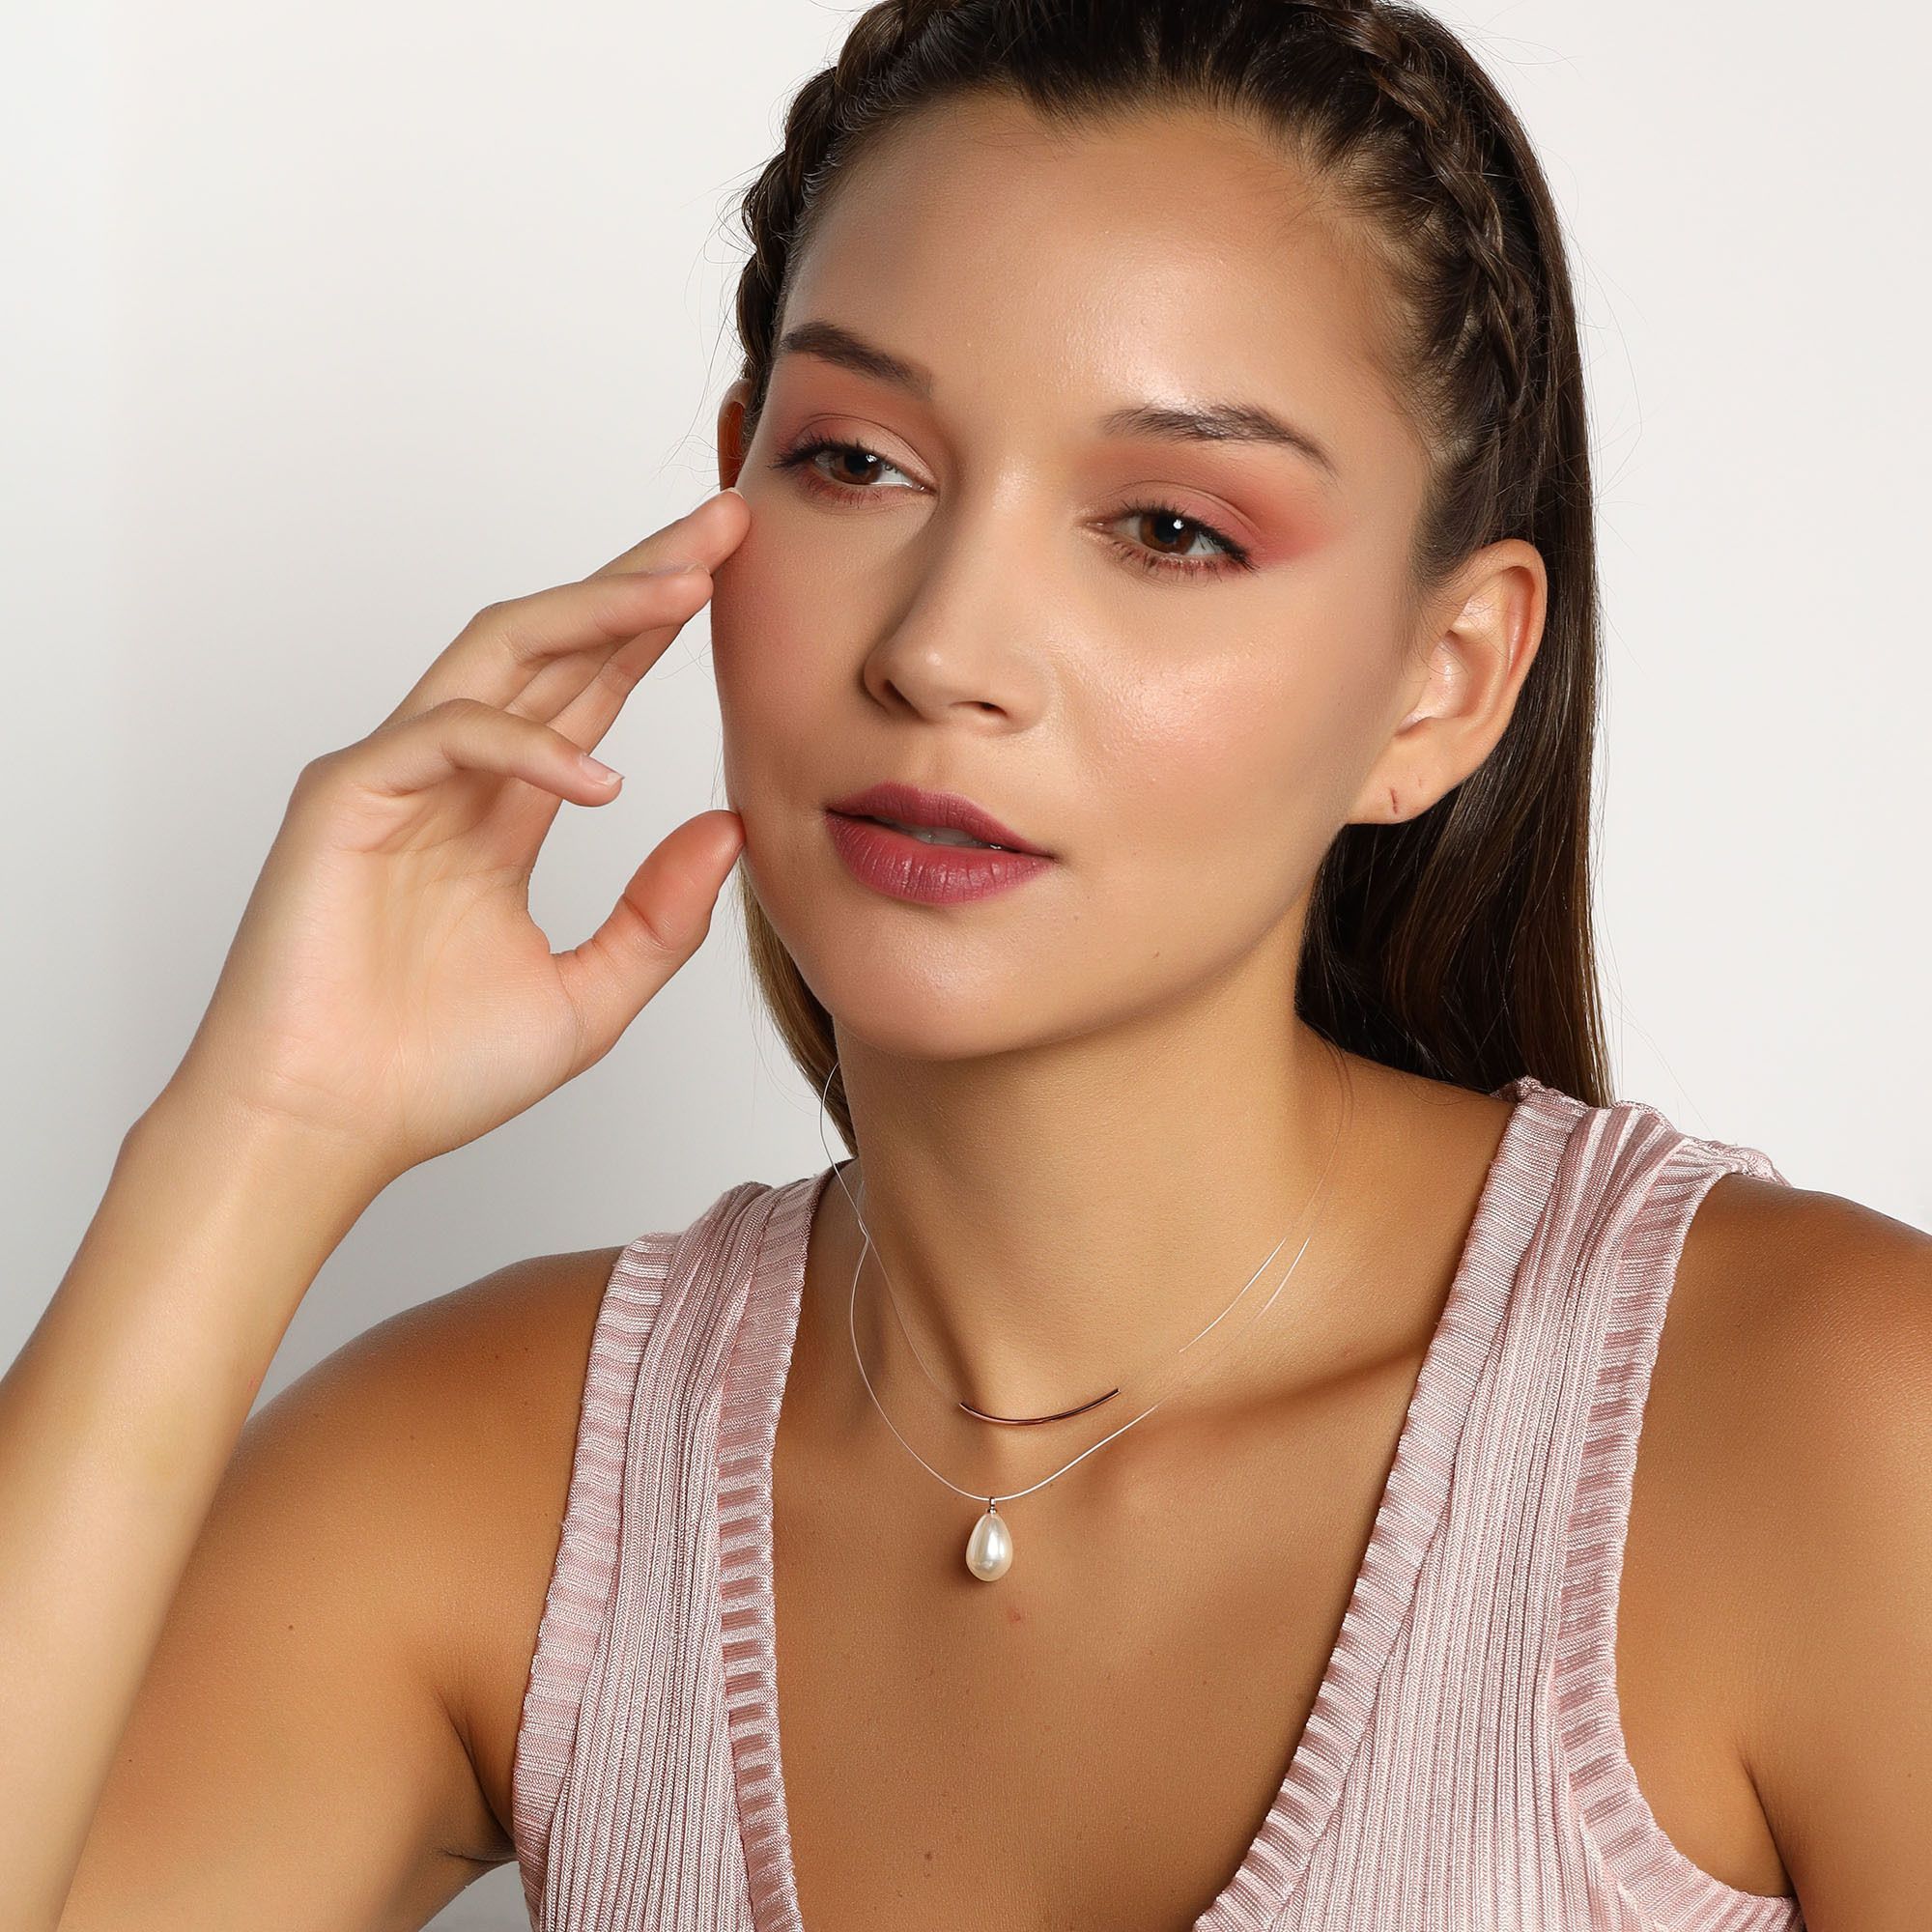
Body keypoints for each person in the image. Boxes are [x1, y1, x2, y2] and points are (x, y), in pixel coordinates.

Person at [9, 0, 1928, 1926]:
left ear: (1443, 682)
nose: (940, 649)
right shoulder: (499, 1482)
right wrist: (257, 1138)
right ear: (726, 501)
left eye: (1168, 528)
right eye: (857, 464)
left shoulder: (1823, 1430)